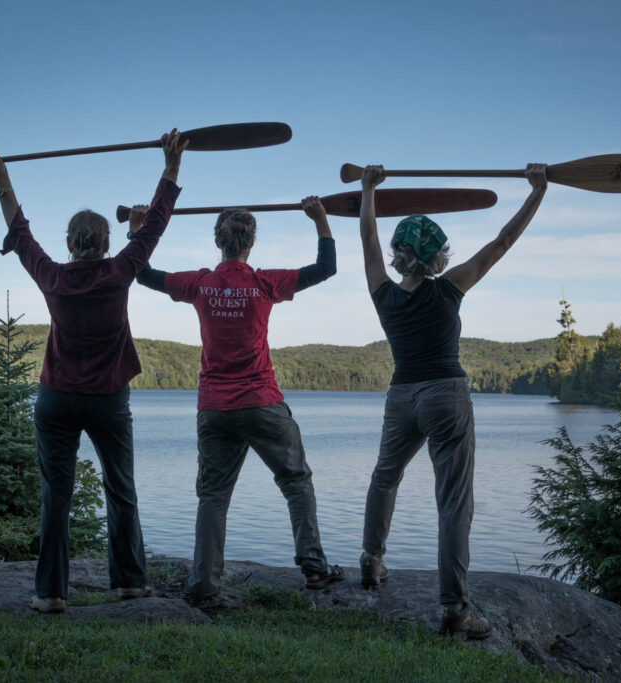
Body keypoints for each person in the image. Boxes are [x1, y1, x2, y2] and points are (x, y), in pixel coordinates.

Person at [0, 129, 188, 614]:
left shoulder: (52, 277)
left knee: (56, 497)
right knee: (121, 489)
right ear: (108, 243)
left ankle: (50, 593)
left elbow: (21, 232)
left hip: (57, 400)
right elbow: (155, 223)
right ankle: (130, 583)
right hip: (109, 399)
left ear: (70, 244)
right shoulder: (121, 270)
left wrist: (1, 179)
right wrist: (171, 166)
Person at [356, 163, 548, 639]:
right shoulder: (450, 289)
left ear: (400, 256)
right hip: (446, 395)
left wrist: (368, 191)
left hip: (401, 397)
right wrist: (537, 193)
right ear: (437, 257)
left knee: (386, 476)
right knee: (453, 502)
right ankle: (455, 609)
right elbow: (502, 242)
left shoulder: (382, 294)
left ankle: (371, 560)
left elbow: (368, 241)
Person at [128, 197, 342, 601]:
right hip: (262, 403)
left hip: (215, 408)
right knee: (296, 482)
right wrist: (320, 220)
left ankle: (205, 582)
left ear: (217, 241)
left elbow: (143, 274)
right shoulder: (264, 282)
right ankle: (314, 569)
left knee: (213, 496)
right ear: (251, 243)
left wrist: (137, 230)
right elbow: (325, 268)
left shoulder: (201, 283)